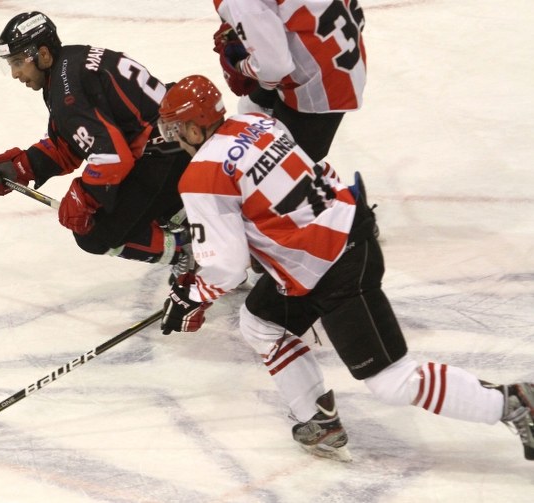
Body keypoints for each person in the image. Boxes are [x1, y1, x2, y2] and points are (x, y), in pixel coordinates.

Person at [155, 74, 534, 462]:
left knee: (391, 381)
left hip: (333, 263)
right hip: (338, 235)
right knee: (260, 323)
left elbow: (228, 267)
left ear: (191, 126)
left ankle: (514, 403)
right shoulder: (258, 123)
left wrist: (191, 296)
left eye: (174, 130)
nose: (175, 140)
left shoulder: (201, 176)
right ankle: (317, 420)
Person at [0, 12, 192, 273]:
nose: (15, 73)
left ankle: (188, 251)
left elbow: (112, 157)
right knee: (122, 206)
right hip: (179, 141)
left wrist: (84, 196)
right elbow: (68, 145)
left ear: (43, 54)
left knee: (94, 232)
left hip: (168, 154)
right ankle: (185, 212)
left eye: (19, 62)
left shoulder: (66, 92)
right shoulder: (69, 65)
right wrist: (18, 168)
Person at [211, 0, 367, 163]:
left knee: (279, 167)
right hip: (342, 55)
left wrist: (240, 67)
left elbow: (273, 70)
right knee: (250, 107)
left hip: (320, 88)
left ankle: (331, 187)